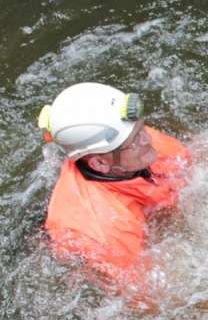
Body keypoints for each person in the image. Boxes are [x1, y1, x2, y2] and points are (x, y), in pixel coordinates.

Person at [38, 82, 190, 286]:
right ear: (99, 163)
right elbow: (146, 299)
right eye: (135, 139)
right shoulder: (106, 231)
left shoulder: (131, 143)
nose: (147, 139)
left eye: (141, 127)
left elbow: (193, 162)